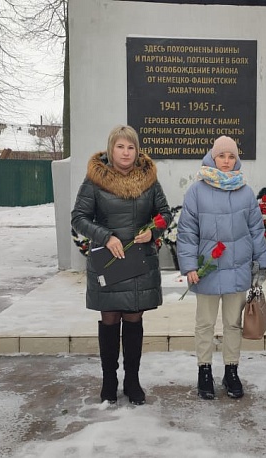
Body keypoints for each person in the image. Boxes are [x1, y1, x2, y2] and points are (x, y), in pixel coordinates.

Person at [71, 125, 172, 406]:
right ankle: (109, 380)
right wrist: (105, 236)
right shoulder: (95, 181)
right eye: (120, 147)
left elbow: (164, 214)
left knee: (134, 319)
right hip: (108, 262)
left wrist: (153, 231)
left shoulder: (148, 180)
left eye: (131, 147)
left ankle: (132, 380)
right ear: (110, 149)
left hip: (138, 261)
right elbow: (79, 217)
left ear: (136, 150)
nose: (126, 152)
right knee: (110, 319)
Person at [176, 136, 266, 400]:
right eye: (222, 156)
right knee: (205, 324)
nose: (227, 161)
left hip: (237, 269)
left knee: (233, 324)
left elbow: (256, 230)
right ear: (213, 157)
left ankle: (231, 370)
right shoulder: (196, 191)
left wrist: (262, 261)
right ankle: (203, 371)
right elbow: (187, 232)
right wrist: (189, 265)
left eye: (231, 156)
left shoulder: (245, 191)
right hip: (207, 270)